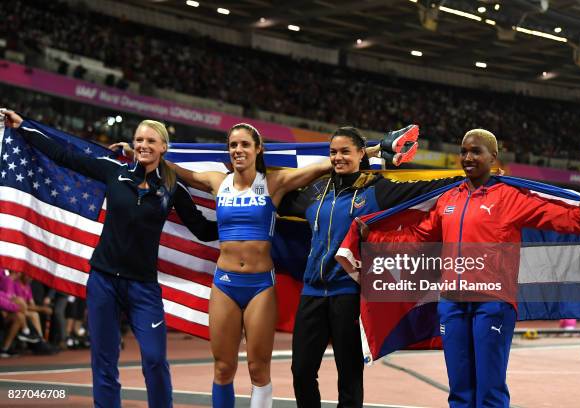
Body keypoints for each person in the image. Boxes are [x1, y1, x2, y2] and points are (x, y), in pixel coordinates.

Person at [114, 122, 354, 408]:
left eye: (244, 145)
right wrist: (136, 151)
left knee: (257, 369)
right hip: (225, 284)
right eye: (233, 145)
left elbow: (324, 165)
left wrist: (373, 150)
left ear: (258, 149)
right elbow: (177, 171)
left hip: (261, 286)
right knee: (223, 368)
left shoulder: (274, 183)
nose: (238, 150)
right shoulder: (218, 181)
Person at [2, 109, 219, 408]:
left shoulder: (171, 188)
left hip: (143, 288)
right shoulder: (114, 171)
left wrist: (243, 220)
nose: (143, 144)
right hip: (103, 281)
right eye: (139, 139)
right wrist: (24, 127)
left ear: (163, 148)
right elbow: (65, 156)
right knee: (104, 361)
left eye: (150, 140)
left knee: (155, 360)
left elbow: (203, 229)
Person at [357, 129, 580, 408]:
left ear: (493, 157)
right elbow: (417, 237)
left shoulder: (509, 197)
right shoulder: (448, 199)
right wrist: (374, 238)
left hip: (492, 303)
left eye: (475, 151)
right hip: (452, 303)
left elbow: (554, 216)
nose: (468, 157)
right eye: (464, 151)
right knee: (459, 389)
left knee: (489, 390)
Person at [277, 126, 465, 407]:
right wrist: (318, 168)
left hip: (348, 295)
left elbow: (425, 188)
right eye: (333, 152)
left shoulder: (375, 190)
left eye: (345, 152)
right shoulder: (315, 192)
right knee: (301, 372)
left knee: (349, 376)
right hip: (312, 295)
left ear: (361, 154)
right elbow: (278, 190)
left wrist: (468, 179)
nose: (338, 157)